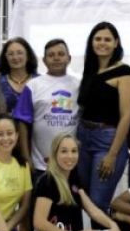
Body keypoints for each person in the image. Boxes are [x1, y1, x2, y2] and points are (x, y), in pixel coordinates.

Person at [77, 22, 130, 217]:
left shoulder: (124, 72)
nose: (102, 43)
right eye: (98, 39)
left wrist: (112, 154)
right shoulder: (90, 69)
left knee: (98, 203)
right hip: (83, 138)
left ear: (116, 43)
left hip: (108, 141)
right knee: (82, 197)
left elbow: (126, 115)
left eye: (107, 39)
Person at [13, 38, 80, 177]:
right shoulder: (33, 85)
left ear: (69, 58)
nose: (56, 58)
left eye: (61, 54)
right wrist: (26, 157)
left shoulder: (79, 86)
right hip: (40, 165)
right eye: (51, 55)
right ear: (44, 60)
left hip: (71, 165)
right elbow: (22, 123)